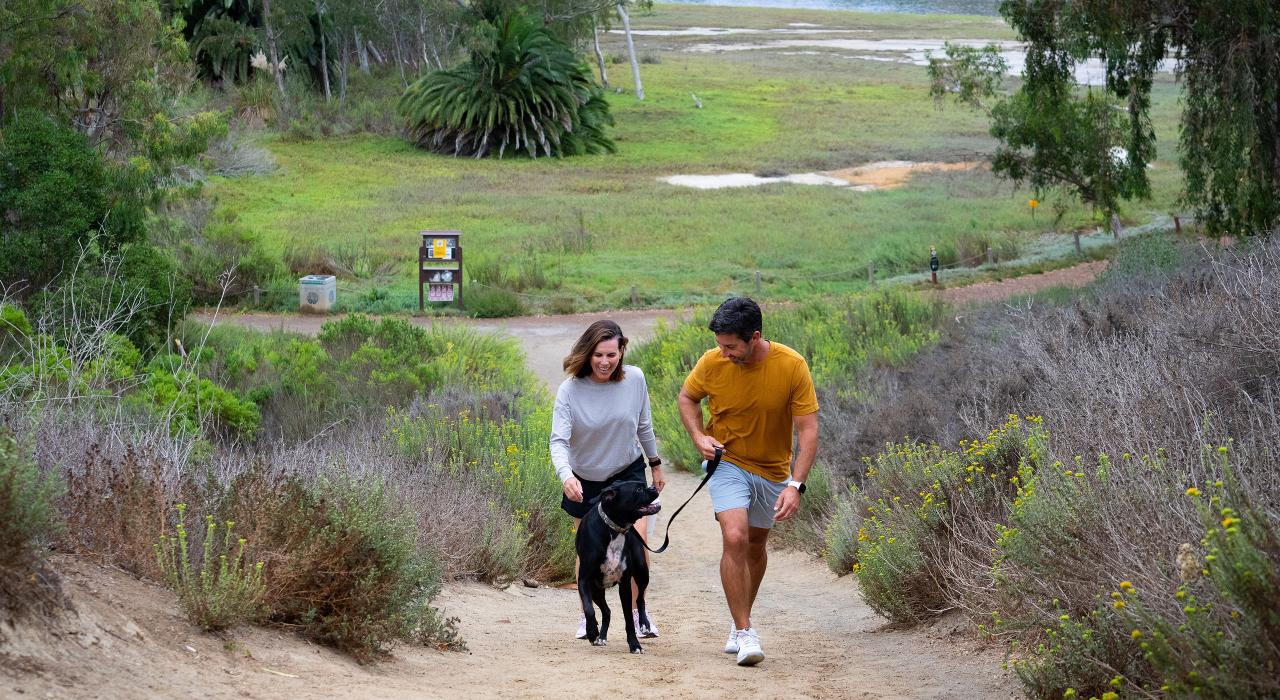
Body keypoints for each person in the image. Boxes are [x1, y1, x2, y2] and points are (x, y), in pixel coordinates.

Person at [677, 297, 818, 666]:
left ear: (754, 337)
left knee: (755, 545)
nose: (723, 353)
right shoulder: (711, 362)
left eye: (731, 346)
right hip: (729, 462)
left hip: (773, 471)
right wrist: (698, 437)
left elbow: (809, 431)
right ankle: (744, 631)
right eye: (720, 345)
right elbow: (688, 398)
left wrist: (795, 485)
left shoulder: (791, 366)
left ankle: (740, 616)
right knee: (735, 535)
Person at [551, 320, 666, 640]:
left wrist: (655, 464)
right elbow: (558, 442)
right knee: (588, 552)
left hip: (627, 474)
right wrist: (566, 476)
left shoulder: (635, 379)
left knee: (637, 544)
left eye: (612, 355)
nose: (604, 362)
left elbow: (644, 426)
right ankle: (586, 616)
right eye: (598, 355)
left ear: (622, 351)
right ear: (588, 353)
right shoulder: (570, 390)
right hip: (585, 480)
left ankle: (637, 612)